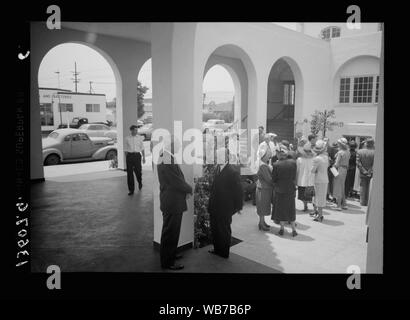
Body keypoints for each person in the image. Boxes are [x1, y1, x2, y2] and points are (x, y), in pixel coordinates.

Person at [157, 138, 193, 270]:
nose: (179, 149)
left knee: (172, 231)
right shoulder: (166, 158)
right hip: (172, 202)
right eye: (177, 146)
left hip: (172, 201)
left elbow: (175, 179)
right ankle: (167, 262)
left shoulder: (166, 156)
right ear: (171, 146)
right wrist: (189, 189)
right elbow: (175, 181)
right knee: (170, 232)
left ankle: (170, 255)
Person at [208, 148, 243, 258]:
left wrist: (238, 207)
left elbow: (238, 191)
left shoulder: (232, 171)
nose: (217, 158)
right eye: (216, 156)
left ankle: (223, 252)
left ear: (227, 157)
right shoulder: (217, 168)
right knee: (215, 229)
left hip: (225, 207)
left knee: (223, 230)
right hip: (214, 206)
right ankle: (217, 249)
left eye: (220, 156)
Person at [271, 145, 298, 237]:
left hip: (280, 189)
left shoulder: (276, 164)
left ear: (279, 153)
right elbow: (294, 176)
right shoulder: (293, 163)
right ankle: (294, 229)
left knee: (281, 209)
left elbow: (273, 179)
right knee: (291, 209)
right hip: (290, 189)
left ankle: (282, 229)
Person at [255, 145, 273, 231]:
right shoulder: (263, 166)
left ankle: (262, 222)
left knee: (262, 206)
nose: (269, 157)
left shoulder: (261, 164)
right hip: (264, 188)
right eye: (268, 155)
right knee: (262, 207)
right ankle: (261, 224)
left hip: (262, 187)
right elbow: (269, 179)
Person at [311, 140, 329, 222]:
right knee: (320, 197)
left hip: (319, 179)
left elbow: (313, 170)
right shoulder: (326, 157)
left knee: (318, 198)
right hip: (324, 179)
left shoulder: (317, 159)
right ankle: (318, 214)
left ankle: (320, 216)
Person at [124, 125, 146, 195]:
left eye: (137, 130)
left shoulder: (139, 138)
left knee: (138, 172)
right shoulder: (127, 138)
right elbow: (125, 149)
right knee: (129, 174)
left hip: (137, 156)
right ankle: (131, 190)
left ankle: (140, 182)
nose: (136, 131)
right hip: (130, 156)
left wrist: (144, 157)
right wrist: (126, 158)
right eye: (135, 130)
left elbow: (142, 148)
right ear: (131, 130)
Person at [296, 143, 316, 213]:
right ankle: (313, 208)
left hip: (302, 179)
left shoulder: (299, 159)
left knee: (302, 195)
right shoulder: (314, 159)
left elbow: (297, 170)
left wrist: (296, 179)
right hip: (311, 179)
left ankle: (305, 206)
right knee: (311, 195)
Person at [332, 138, 350, 211]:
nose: (337, 144)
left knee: (339, 187)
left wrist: (331, 166)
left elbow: (336, 164)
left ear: (340, 144)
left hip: (339, 169)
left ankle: (339, 205)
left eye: (338, 143)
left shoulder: (340, 153)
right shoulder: (348, 152)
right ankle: (344, 204)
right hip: (345, 169)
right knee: (342, 186)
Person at [356, 138, 375, 206]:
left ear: (366, 143)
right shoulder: (375, 152)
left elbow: (358, 163)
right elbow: (374, 163)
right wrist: (370, 171)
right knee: (370, 187)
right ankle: (368, 202)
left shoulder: (360, 151)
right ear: (373, 144)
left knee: (363, 186)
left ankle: (362, 201)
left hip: (362, 172)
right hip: (371, 172)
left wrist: (364, 171)